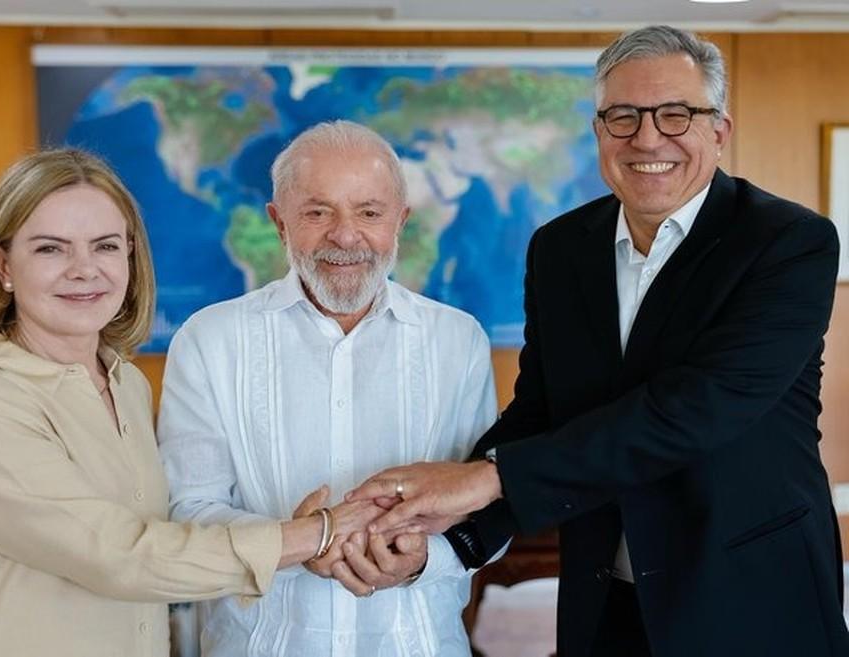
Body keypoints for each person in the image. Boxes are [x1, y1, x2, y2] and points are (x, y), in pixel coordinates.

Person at [348, 25, 849, 657]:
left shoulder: (788, 243)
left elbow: (696, 409)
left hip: (752, 596)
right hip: (603, 599)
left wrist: (491, 478)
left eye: (676, 114)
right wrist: (452, 540)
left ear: (719, 131)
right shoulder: (559, 249)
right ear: (598, 132)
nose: (647, 137)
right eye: (623, 116)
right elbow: (541, 410)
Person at [0, 148, 381, 657]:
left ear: (130, 257)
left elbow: (162, 539)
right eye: (51, 249)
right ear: (3, 265)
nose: (84, 269)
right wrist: (312, 535)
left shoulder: (124, 383)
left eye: (106, 246)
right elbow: (121, 556)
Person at [157, 120, 497, 656]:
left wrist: (424, 559)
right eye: (318, 212)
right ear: (279, 223)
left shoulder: (459, 341)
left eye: (369, 212)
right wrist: (294, 542)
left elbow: (483, 510)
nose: (345, 235)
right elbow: (188, 512)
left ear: (400, 222)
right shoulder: (209, 340)